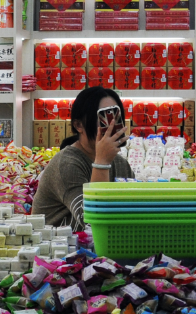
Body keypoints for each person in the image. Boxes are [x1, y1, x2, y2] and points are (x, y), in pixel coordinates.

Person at [31, 86, 133, 229]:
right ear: (79, 125)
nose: (111, 126)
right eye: (103, 118)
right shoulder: (66, 164)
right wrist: (102, 162)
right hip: (59, 247)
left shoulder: (121, 164)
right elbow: (90, 220)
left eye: (116, 117)